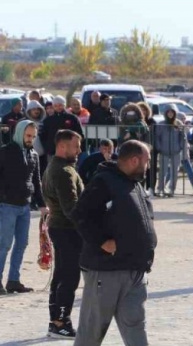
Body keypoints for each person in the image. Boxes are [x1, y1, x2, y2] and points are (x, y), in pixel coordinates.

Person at [70, 140, 155, 346]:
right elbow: (80, 215)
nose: (149, 166)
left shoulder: (135, 184)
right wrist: (102, 241)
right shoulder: (104, 182)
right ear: (134, 160)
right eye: (147, 161)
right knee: (91, 333)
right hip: (106, 271)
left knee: (136, 328)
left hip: (135, 271)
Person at [42, 130, 85, 339]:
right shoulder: (63, 171)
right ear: (62, 146)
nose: (80, 150)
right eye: (76, 146)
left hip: (61, 228)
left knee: (61, 275)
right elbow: (72, 208)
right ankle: (61, 322)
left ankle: (56, 321)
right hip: (67, 229)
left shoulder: (56, 166)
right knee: (69, 276)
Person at [0, 120, 44, 294]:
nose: (30, 139)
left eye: (33, 136)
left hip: (25, 206)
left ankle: (13, 280)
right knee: (4, 245)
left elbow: (36, 181)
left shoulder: (34, 154)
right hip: (6, 205)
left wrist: (42, 204)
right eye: (28, 136)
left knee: (22, 244)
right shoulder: (5, 152)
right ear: (19, 133)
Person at [39, 96, 84, 165]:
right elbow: (43, 136)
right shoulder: (48, 120)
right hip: (52, 152)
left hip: (69, 152)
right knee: (53, 171)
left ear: (64, 105)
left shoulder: (72, 118)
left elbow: (79, 134)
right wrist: (47, 147)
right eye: (55, 105)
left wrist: (75, 147)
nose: (58, 107)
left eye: (60, 105)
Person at [153, 105, 184, 198]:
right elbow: (157, 137)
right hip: (164, 151)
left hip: (176, 151)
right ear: (166, 113)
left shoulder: (179, 123)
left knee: (175, 172)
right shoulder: (161, 124)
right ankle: (160, 189)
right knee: (163, 171)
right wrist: (159, 147)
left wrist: (180, 147)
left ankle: (172, 189)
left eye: (172, 112)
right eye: (168, 112)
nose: (170, 114)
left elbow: (182, 137)